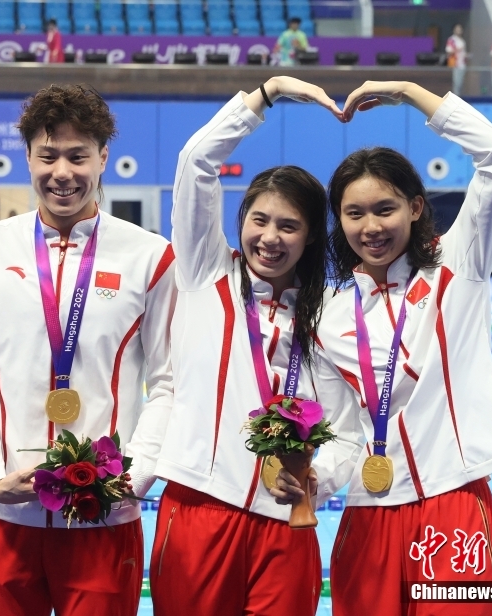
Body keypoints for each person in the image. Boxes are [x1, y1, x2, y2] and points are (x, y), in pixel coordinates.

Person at [279, 81, 492, 615]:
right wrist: (316, 483)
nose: (370, 227)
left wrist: (412, 93)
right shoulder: (329, 316)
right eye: (354, 214)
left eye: (385, 209)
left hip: (453, 503)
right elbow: (345, 434)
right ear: (339, 222)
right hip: (369, 514)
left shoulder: (458, 264)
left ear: (416, 207)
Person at [0, 84, 176, 615]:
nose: (62, 172)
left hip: (105, 522)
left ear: (103, 158)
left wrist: (132, 479)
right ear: (27, 157)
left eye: (78, 156)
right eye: (47, 156)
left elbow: (168, 382)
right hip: (6, 520)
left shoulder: (151, 257)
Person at [151, 76, 360, 616]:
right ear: (239, 221)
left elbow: (348, 432)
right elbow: (196, 160)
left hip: (287, 520)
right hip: (198, 508)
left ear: (311, 236)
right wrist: (268, 93)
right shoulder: (204, 275)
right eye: (259, 220)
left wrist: (317, 479)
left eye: (288, 225)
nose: (270, 237)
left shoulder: (330, 316)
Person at [445, 24, 467, 96]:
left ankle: (459, 98)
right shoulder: (452, 40)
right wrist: (458, 49)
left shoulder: (462, 40)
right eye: (457, 29)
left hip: (462, 64)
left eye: (460, 29)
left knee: (460, 84)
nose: (459, 30)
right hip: (455, 64)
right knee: (456, 84)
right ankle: (455, 99)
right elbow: (449, 51)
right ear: (454, 30)